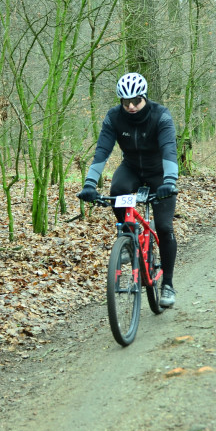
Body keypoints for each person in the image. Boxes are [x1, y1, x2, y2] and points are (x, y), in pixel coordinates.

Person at [78, 72, 179, 308]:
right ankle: (127, 237)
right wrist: (89, 184)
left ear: (144, 97)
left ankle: (168, 285)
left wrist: (170, 181)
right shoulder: (114, 117)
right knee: (117, 191)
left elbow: (169, 149)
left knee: (164, 227)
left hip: (159, 173)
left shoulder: (160, 115)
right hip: (131, 168)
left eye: (136, 101)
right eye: (126, 102)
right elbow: (102, 151)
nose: (131, 107)